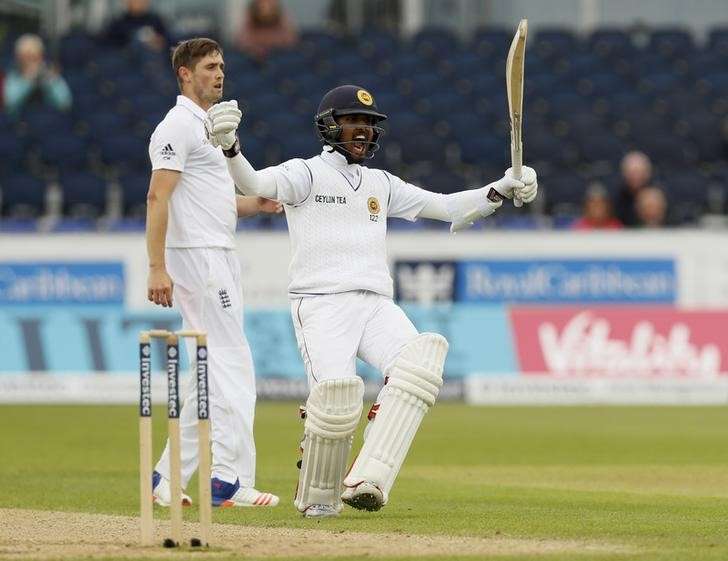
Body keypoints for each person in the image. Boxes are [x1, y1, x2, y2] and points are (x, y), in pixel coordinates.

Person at [205, 85, 538, 517]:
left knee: (420, 361)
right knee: (338, 401)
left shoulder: (380, 182)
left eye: (368, 125)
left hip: (375, 302)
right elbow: (252, 182)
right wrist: (230, 147)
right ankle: (318, 498)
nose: (362, 132)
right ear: (329, 127)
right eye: (353, 123)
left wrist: (501, 188)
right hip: (322, 304)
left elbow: (446, 206)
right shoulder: (305, 174)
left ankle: (369, 478)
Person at [146, 37, 279, 508]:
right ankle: (229, 479)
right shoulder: (176, 127)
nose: (219, 74)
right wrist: (157, 267)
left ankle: (164, 479)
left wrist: (256, 204)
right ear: (185, 73)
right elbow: (158, 197)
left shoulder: (208, 127)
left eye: (222, 66)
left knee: (207, 376)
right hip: (198, 258)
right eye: (209, 67)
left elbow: (211, 200)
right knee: (233, 363)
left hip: (215, 251)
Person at [3, 34, 72, 118]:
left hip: (48, 123)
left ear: (41, 57)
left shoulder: (49, 74)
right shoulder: (12, 76)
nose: (30, 61)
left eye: (34, 57)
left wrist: (51, 81)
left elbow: (65, 103)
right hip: (19, 125)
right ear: (19, 58)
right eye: (26, 57)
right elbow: (10, 104)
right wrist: (28, 80)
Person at [103, 0, 171, 51]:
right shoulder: (118, 24)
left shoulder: (156, 21)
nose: (138, 2)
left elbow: (167, 42)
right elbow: (108, 47)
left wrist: (159, 42)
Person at [614, 150, 653, 227]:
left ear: (647, 173)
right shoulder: (616, 199)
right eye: (632, 173)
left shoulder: (657, 196)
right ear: (624, 174)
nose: (636, 177)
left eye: (639, 172)